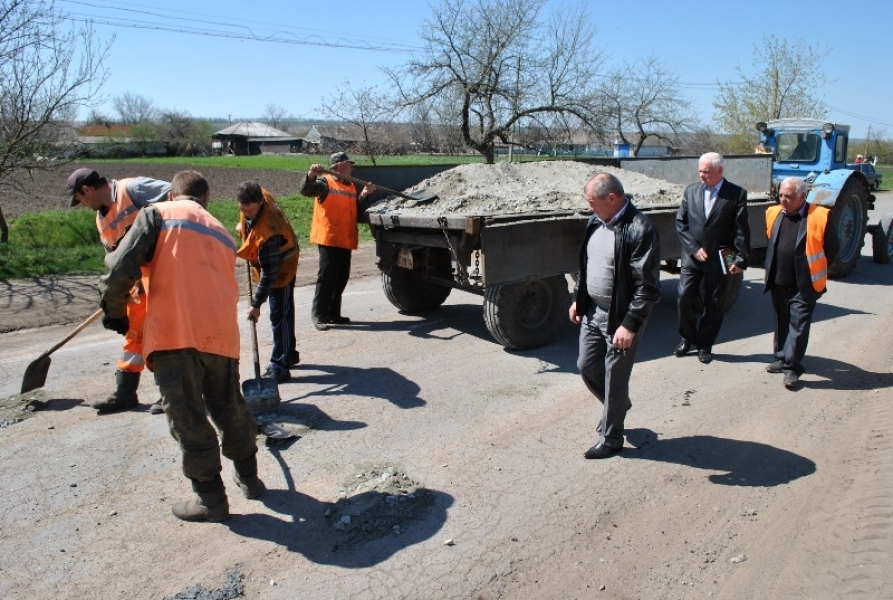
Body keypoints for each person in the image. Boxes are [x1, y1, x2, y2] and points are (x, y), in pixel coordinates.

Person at [98, 170, 261, 522]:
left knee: (187, 417)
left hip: (175, 335)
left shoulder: (158, 214)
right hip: (220, 337)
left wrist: (114, 312)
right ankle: (251, 480)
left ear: (172, 195)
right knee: (230, 408)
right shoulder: (220, 230)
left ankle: (211, 501)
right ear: (205, 198)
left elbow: (119, 267)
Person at [569, 172, 661, 460]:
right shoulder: (595, 221)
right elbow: (586, 266)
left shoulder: (640, 228)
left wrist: (629, 325)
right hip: (593, 311)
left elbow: (647, 287)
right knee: (586, 366)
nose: (589, 207)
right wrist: (578, 299)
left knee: (615, 377)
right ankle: (618, 405)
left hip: (620, 317)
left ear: (612, 198)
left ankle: (611, 438)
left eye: (592, 202)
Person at [67, 168, 170, 415]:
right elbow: (113, 258)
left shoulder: (133, 189)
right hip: (135, 286)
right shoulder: (100, 220)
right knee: (133, 335)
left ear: (87, 190)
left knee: (164, 334)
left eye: (79, 199)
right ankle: (125, 394)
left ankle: (169, 394)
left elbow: (181, 197)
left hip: (162, 275)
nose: (81, 204)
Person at [674, 152, 750, 364]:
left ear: (720, 171)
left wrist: (740, 259)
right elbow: (681, 223)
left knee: (715, 303)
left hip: (723, 255)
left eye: (706, 172)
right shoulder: (691, 191)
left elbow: (741, 230)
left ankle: (704, 344)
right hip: (693, 256)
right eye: (700, 171)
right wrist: (693, 248)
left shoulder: (736, 194)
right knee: (685, 296)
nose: (702, 176)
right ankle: (687, 337)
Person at [764, 177, 836, 390]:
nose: (783, 200)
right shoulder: (773, 213)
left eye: (789, 196)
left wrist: (812, 269)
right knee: (782, 321)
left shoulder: (821, 216)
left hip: (805, 283)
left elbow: (832, 248)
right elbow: (771, 241)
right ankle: (781, 356)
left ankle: (792, 367)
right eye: (781, 195)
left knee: (798, 326)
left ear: (803, 197)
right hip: (778, 280)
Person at [298, 152, 375, 331]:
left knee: (341, 277)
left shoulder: (350, 187)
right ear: (338, 166)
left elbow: (356, 209)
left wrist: (364, 194)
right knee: (327, 278)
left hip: (345, 238)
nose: (352, 167)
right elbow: (305, 190)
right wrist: (310, 175)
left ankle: (333, 313)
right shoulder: (324, 183)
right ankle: (318, 314)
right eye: (349, 164)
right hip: (329, 237)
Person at [235, 181, 300, 384]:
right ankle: (288, 354)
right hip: (273, 259)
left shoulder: (269, 233)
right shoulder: (258, 195)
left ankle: (280, 366)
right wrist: (244, 224)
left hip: (283, 266)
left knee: (279, 315)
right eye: (242, 209)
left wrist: (256, 305)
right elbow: (248, 212)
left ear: (261, 203)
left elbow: (270, 275)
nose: (247, 213)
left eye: (251, 210)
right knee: (282, 313)